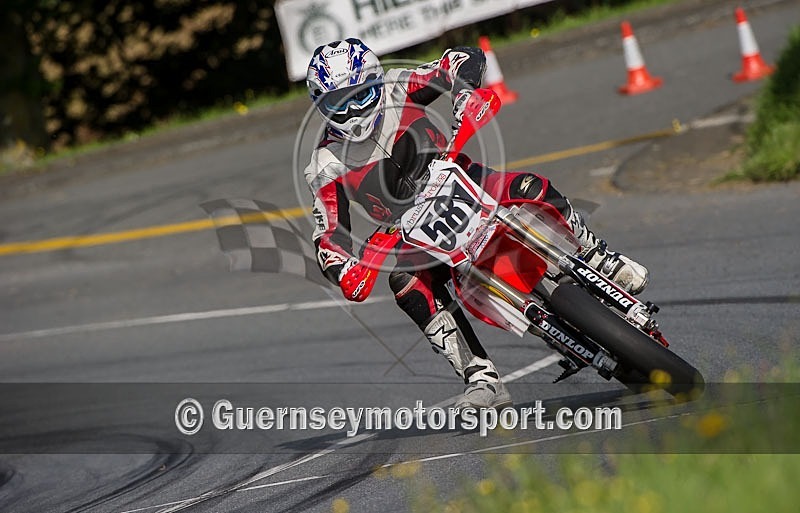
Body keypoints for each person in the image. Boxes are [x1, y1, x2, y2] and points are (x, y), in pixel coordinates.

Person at [303, 38, 648, 409]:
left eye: (360, 95)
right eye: (339, 104)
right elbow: (329, 234)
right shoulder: (324, 165)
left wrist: (464, 94)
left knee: (530, 187)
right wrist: (344, 267)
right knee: (404, 282)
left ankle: (597, 256)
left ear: (376, 81)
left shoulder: (399, 85)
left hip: (461, 178)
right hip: (408, 231)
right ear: (321, 107)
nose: (353, 111)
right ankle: (480, 376)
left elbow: (459, 59)